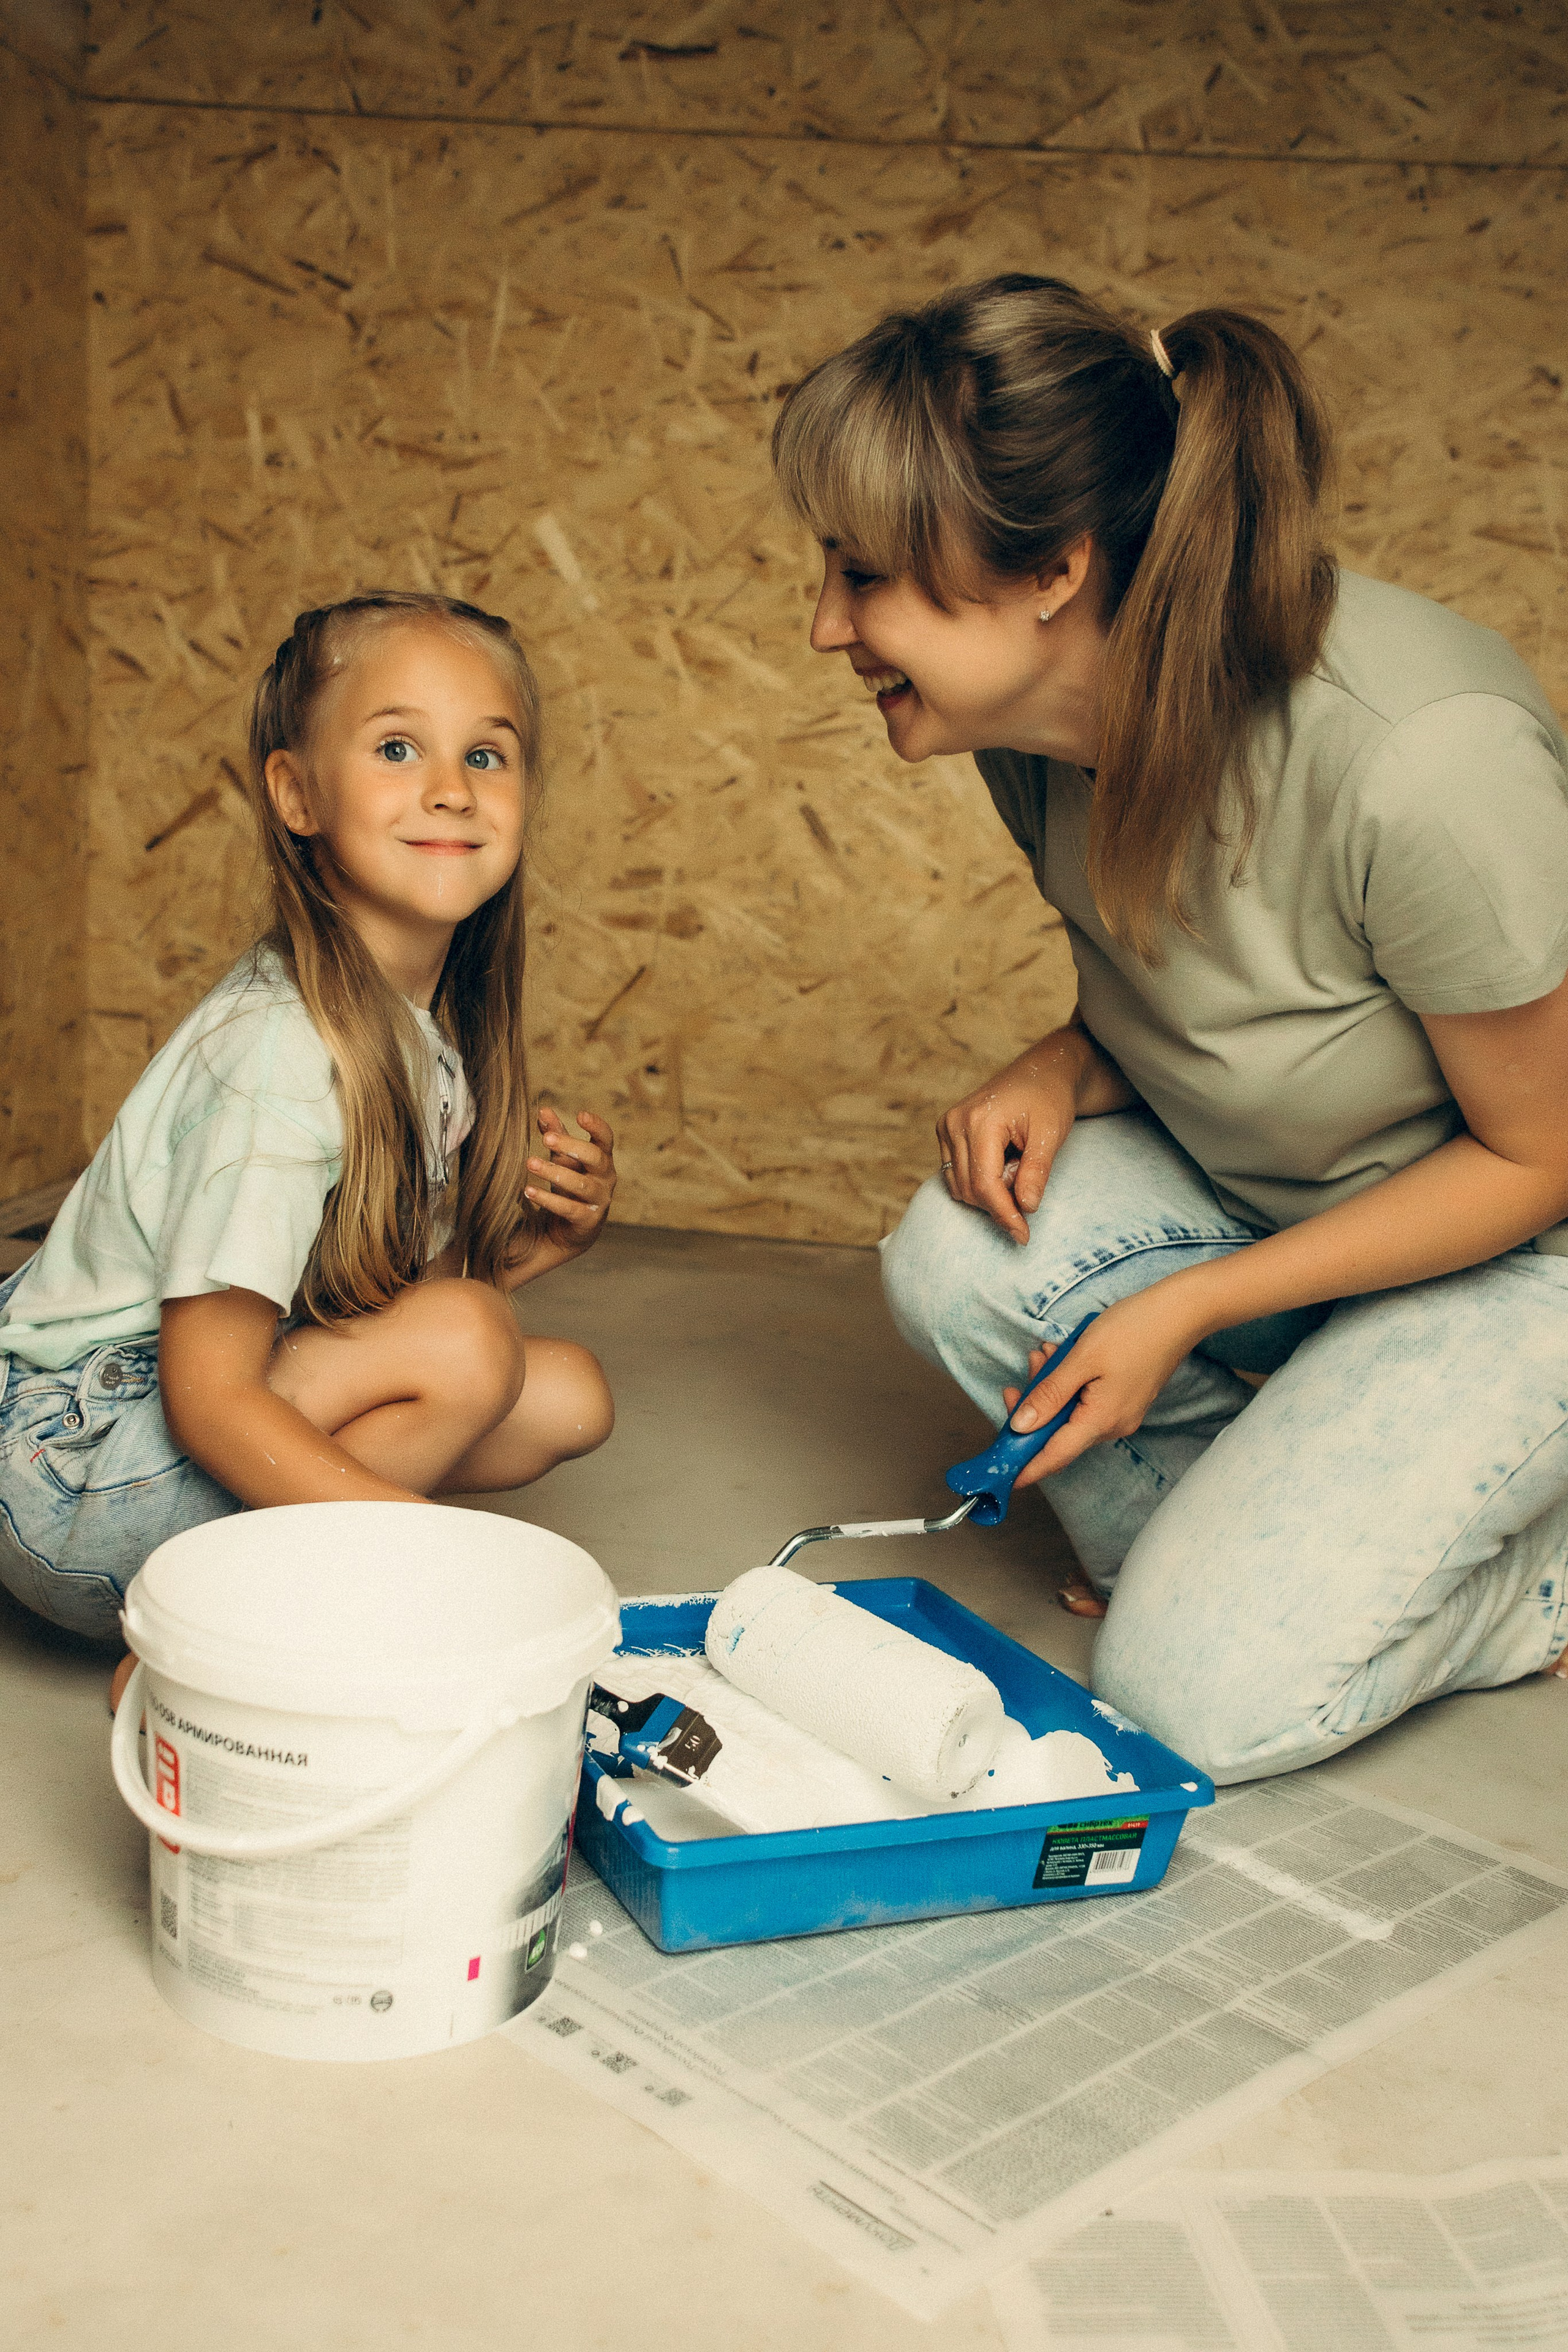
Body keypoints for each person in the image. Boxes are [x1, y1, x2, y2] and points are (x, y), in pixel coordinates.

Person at [772, 276, 1568, 1784]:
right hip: (1306, 1213)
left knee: (1195, 1698)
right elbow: (1227, 987)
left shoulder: (1422, 759)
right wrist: (1056, 1063)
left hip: (1523, 1260)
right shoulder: (1027, 738)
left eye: (862, 575)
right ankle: (1277, 1544)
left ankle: (1520, 1575)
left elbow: (1541, 1159)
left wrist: (1184, 1310)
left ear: (1056, 571)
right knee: (956, 1254)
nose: (826, 625)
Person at [0, 592, 617, 1694]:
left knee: (562, 1394)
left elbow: (375, 1306)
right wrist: (448, 1563)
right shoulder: (279, 1054)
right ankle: (205, 1643)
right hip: (67, 1467)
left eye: (488, 753)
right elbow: (212, 1395)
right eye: (396, 747)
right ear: (296, 794)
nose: (451, 788)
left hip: (158, 1429)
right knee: (473, 1340)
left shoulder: (418, 1035)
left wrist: (537, 1251)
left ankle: (274, 1586)